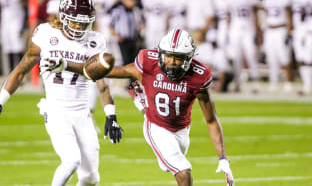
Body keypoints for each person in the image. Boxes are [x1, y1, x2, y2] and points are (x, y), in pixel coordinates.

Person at [43, 29, 234, 186]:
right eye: (168, 56)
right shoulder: (148, 63)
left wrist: (223, 158)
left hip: (182, 129)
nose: (172, 62)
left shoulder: (199, 76)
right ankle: (145, 107)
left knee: (170, 167)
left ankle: (142, 103)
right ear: (160, 53)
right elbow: (111, 71)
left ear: (189, 59)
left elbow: (211, 119)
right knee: (183, 172)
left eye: (178, 58)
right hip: (156, 128)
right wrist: (66, 64)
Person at [0, 0, 123, 186]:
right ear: (64, 17)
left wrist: (111, 115)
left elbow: (102, 83)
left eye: (84, 22)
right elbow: (21, 70)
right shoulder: (46, 33)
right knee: (71, 161)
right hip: (57, 110)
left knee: (90, 178)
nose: (79, 27)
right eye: (75, 21)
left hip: (83, 114)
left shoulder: (95, 41)